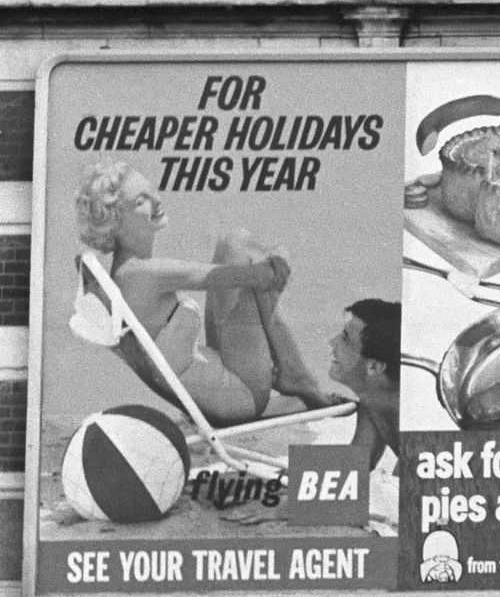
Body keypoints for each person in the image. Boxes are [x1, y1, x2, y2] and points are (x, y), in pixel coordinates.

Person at [74, 160, 332, 427]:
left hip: (220, 388)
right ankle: (296, 374)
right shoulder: (144, 274)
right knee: (244, 252)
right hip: (240, 396)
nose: (156, 200)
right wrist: (279, 254)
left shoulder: (126, 274)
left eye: (152, 191)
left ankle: (294, 372)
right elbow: (258, 277)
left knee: (234, 243)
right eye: (141, 201)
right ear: (115, 221)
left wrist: (268, 265)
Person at [330, 299, 401, 475]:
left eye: (345, 339)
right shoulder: (374, 398)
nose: (332, 342)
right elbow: (354, 467)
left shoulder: (419, 419)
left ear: (375, 366)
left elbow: (403, 494)